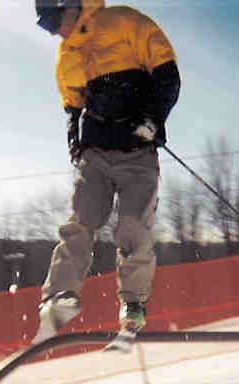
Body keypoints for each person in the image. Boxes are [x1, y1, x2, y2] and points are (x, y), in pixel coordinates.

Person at [32, 0, 181, 351]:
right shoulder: (67, 56)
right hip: (96, 151)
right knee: (81, 221)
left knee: (133, 226)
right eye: (47, 27)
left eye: (54, 21)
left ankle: (132, 302)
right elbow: (72, 106)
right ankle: (60, 297)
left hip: (136, 149)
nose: (54, 31)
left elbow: (167, 76)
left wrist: (152, 119)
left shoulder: (123, 21)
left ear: (70, 6)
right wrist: (75, 140)